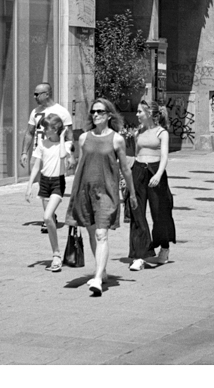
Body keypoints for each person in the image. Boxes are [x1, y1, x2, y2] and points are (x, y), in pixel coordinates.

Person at [65, 98, 130, 297]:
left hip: (107, 192)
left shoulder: (117, 139)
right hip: (85, 191)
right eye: (93, 112)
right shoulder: (84, 138)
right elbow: (80, 166)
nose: (95, 115)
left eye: (100, 111)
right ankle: (101, 270)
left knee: (102, 234)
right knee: (93, 232)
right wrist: (75, 193)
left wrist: (132, 192)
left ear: (109, 115)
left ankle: (98, 279)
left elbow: (125, 168)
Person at [125, 98, 176, 271]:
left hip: (155, 172)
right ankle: (140, 255)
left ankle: (164, 247)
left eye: (140, 111)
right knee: (137, 213)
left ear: (149, 113)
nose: (137, 114)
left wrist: (159, 174)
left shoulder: (162, 133)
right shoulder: (138, 132)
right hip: (139, 171)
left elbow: (164, 156)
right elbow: (135, 154)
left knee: (160, 213)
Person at [24, 112, 74, 271]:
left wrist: (62, 137)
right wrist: (29, 185)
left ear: (56, 129)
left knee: (46, 217)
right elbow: (36, 166)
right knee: (49, 219)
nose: (44, 131)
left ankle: (57, 255)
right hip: (45, 182)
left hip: (58, 183)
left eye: (47, 128)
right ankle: (56, 255)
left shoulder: (65, 144)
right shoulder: (42, 144)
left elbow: (62, 156)